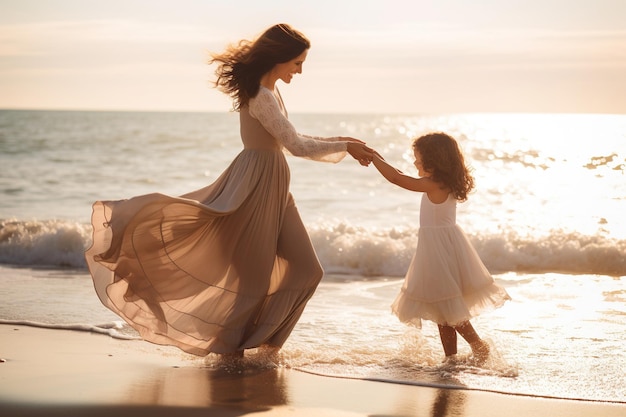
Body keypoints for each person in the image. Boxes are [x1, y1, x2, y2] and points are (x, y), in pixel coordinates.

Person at [84, 23, 374, 358]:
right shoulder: (261, 96)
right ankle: (231, 355)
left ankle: (265, 348)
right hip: (255, 186)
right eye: (297, 62)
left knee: (309, 270)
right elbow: (295, 145)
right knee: (250, 284)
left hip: (275, 186)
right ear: (279, 58)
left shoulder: (271, 92)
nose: (300, 70)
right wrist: (345, 147)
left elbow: (289, 136)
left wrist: (346, 142)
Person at [371, 132, 510, 364]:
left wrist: (374, 159)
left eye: (418, 157)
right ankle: (451, 359)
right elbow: (400, 174)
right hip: (444, 247)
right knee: (442, 308)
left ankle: (479, 346)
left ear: (434, 159)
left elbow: (397, 179)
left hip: (438, 251)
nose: (415, 162)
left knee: (447, 307)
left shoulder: (436, 184)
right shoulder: (445, 182)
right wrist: (378, 158)